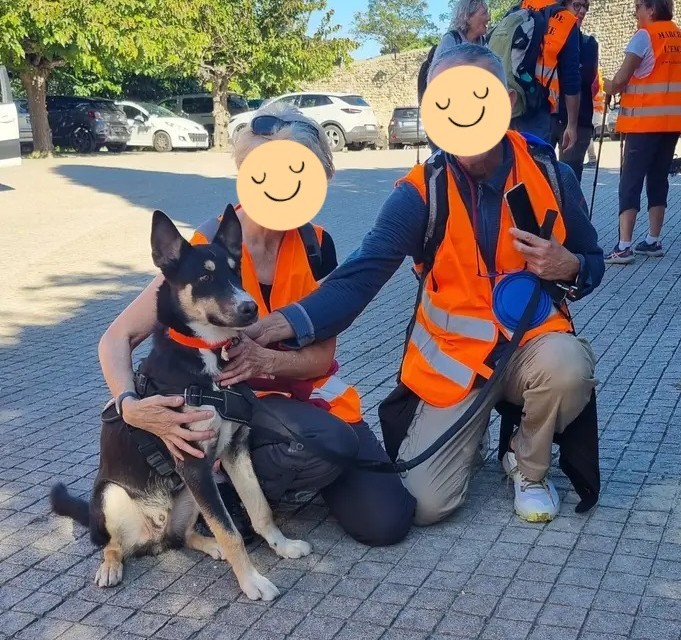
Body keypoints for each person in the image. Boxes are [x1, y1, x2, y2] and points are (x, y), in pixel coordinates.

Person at [223, 44, 605, 525]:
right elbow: (361, 275)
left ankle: (527, 466)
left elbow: (593, 264)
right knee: (423, 507)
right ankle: (471, 435)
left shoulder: (551, 173)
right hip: (456, 367)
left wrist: (567, 265)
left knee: (568, 366)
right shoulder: (421, 192)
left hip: (533, 348)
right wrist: (281, 323)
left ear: (507, 100)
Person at [97, 101, 416, 547]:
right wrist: (129, 405)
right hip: (237, 409)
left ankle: (293, 471)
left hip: (310, 401)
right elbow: (117, 337)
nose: (282, 186)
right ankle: (229, 492)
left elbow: (321, 358)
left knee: (387, 521)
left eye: (298, 174)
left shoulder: (317, 245)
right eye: (268, 172)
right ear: (246, 173)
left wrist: (264, 359)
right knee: (325, 442)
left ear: (322, 178)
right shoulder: (207, 245)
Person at [603, 0, 681, 264]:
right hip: (671, 122)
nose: (635, 11)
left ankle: (624, 246)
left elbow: (620, 80)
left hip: (643, 123)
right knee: (658, 178)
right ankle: (653, 240)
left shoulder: (645, 36)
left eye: (638, 6)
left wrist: (606, 85)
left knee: (630, 181)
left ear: (651, 9)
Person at [509, 0, 581, 148]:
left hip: (509, 101)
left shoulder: (517, 9)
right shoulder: (565, 20)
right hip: (537, 106)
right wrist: (572, 125)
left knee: (510, 158)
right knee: (536, 160)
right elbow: (571, 79)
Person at [425, 0, 491, 153]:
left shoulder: (484, 43)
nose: (488, 18)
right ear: (467, 17)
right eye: (484, 13)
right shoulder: (451, 41)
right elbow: (435, 80)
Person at [550, 0, 599, 181]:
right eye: (577, 5)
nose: (582, 11)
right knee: (540, 180)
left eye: (585, 7)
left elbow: (584, 78)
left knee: (569, 183)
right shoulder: (549, 39)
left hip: (578, 121)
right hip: (550, 117)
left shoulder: (588, 43)